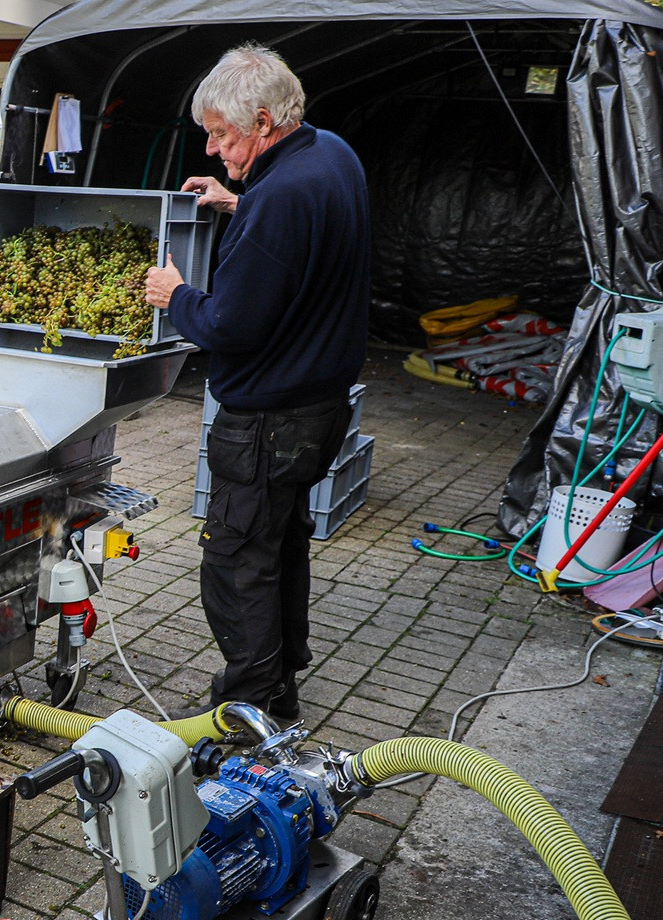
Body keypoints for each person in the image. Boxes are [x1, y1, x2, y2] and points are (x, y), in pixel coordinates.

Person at [143, 44, 370, 721]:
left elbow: (232, 326)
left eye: (222, 133)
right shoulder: (332, 155)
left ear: (266, 120)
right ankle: (282, 689)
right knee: (282, 549)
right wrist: (238, 203)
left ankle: (248, 714)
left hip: (268, 423)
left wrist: (175, 293)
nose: (212, 149)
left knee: (236, 564)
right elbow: (302, 237)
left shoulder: (281, 197)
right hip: (322, 411)